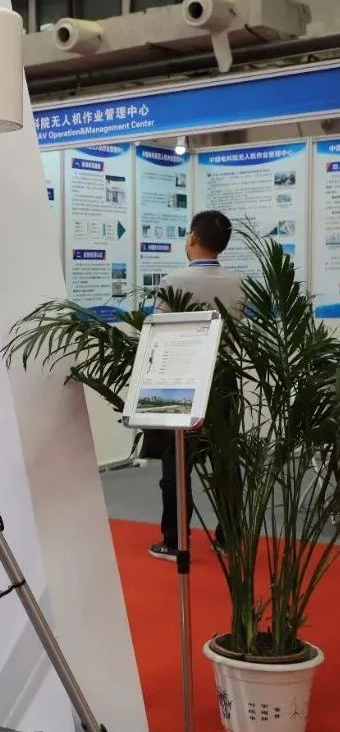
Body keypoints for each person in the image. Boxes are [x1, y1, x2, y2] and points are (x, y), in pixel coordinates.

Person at [148, 210, 244, 562]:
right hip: (224, 378)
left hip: (181, 379)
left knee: (177, 461)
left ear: (192, 238)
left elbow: (158, 331)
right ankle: (229, 538)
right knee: (226, 460)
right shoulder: (238, 283)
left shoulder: (173, 281)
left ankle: (175, 540)